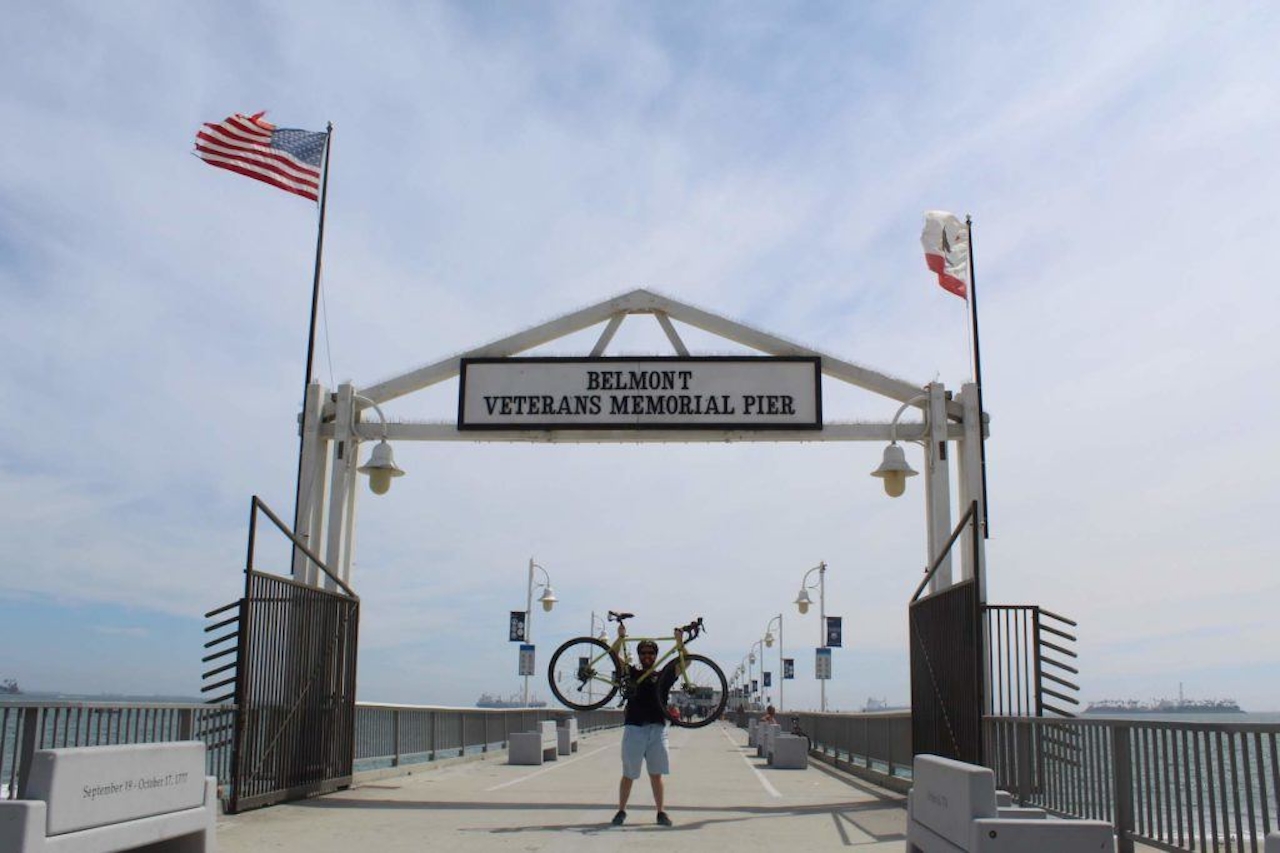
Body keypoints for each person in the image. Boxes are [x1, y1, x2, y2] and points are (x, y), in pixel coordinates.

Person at [612, 626, 680, 828]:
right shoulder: (632, 673)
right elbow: (613, 656)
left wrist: (679, 642)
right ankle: (621, 810)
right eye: (643, 653)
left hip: (657, 728)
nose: (647, 656)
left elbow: (686, 663)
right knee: (629, 774)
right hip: (634, 727)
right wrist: (620, 638)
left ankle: (660, 812)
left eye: (651, 653)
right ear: (639, 655)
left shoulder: (663, 675)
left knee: (656, 774)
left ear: (656, 655)